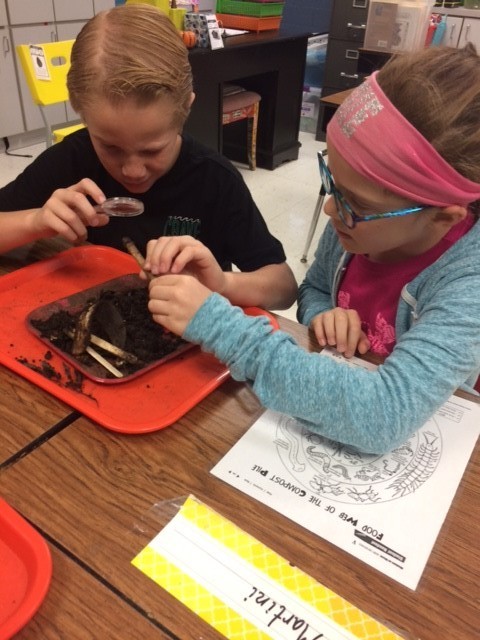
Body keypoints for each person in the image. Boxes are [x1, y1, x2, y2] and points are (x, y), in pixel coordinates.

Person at [145, 44, 480, 453]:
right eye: (332, 184)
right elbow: (315, 289)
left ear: (444, 217)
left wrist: (221, 328)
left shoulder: (468, 282)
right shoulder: (354, 226)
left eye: (358, 204)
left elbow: (383, 417)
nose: (329, 208)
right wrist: (323, 314)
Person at [0, 4, 297, 311]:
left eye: (153, 150)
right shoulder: (70, 160)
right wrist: (35, 221)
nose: (132, 170)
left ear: (185, 110)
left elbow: (284, 287)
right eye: (111, 147)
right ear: (80, 110)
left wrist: (221, 284)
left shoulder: (214, 180)